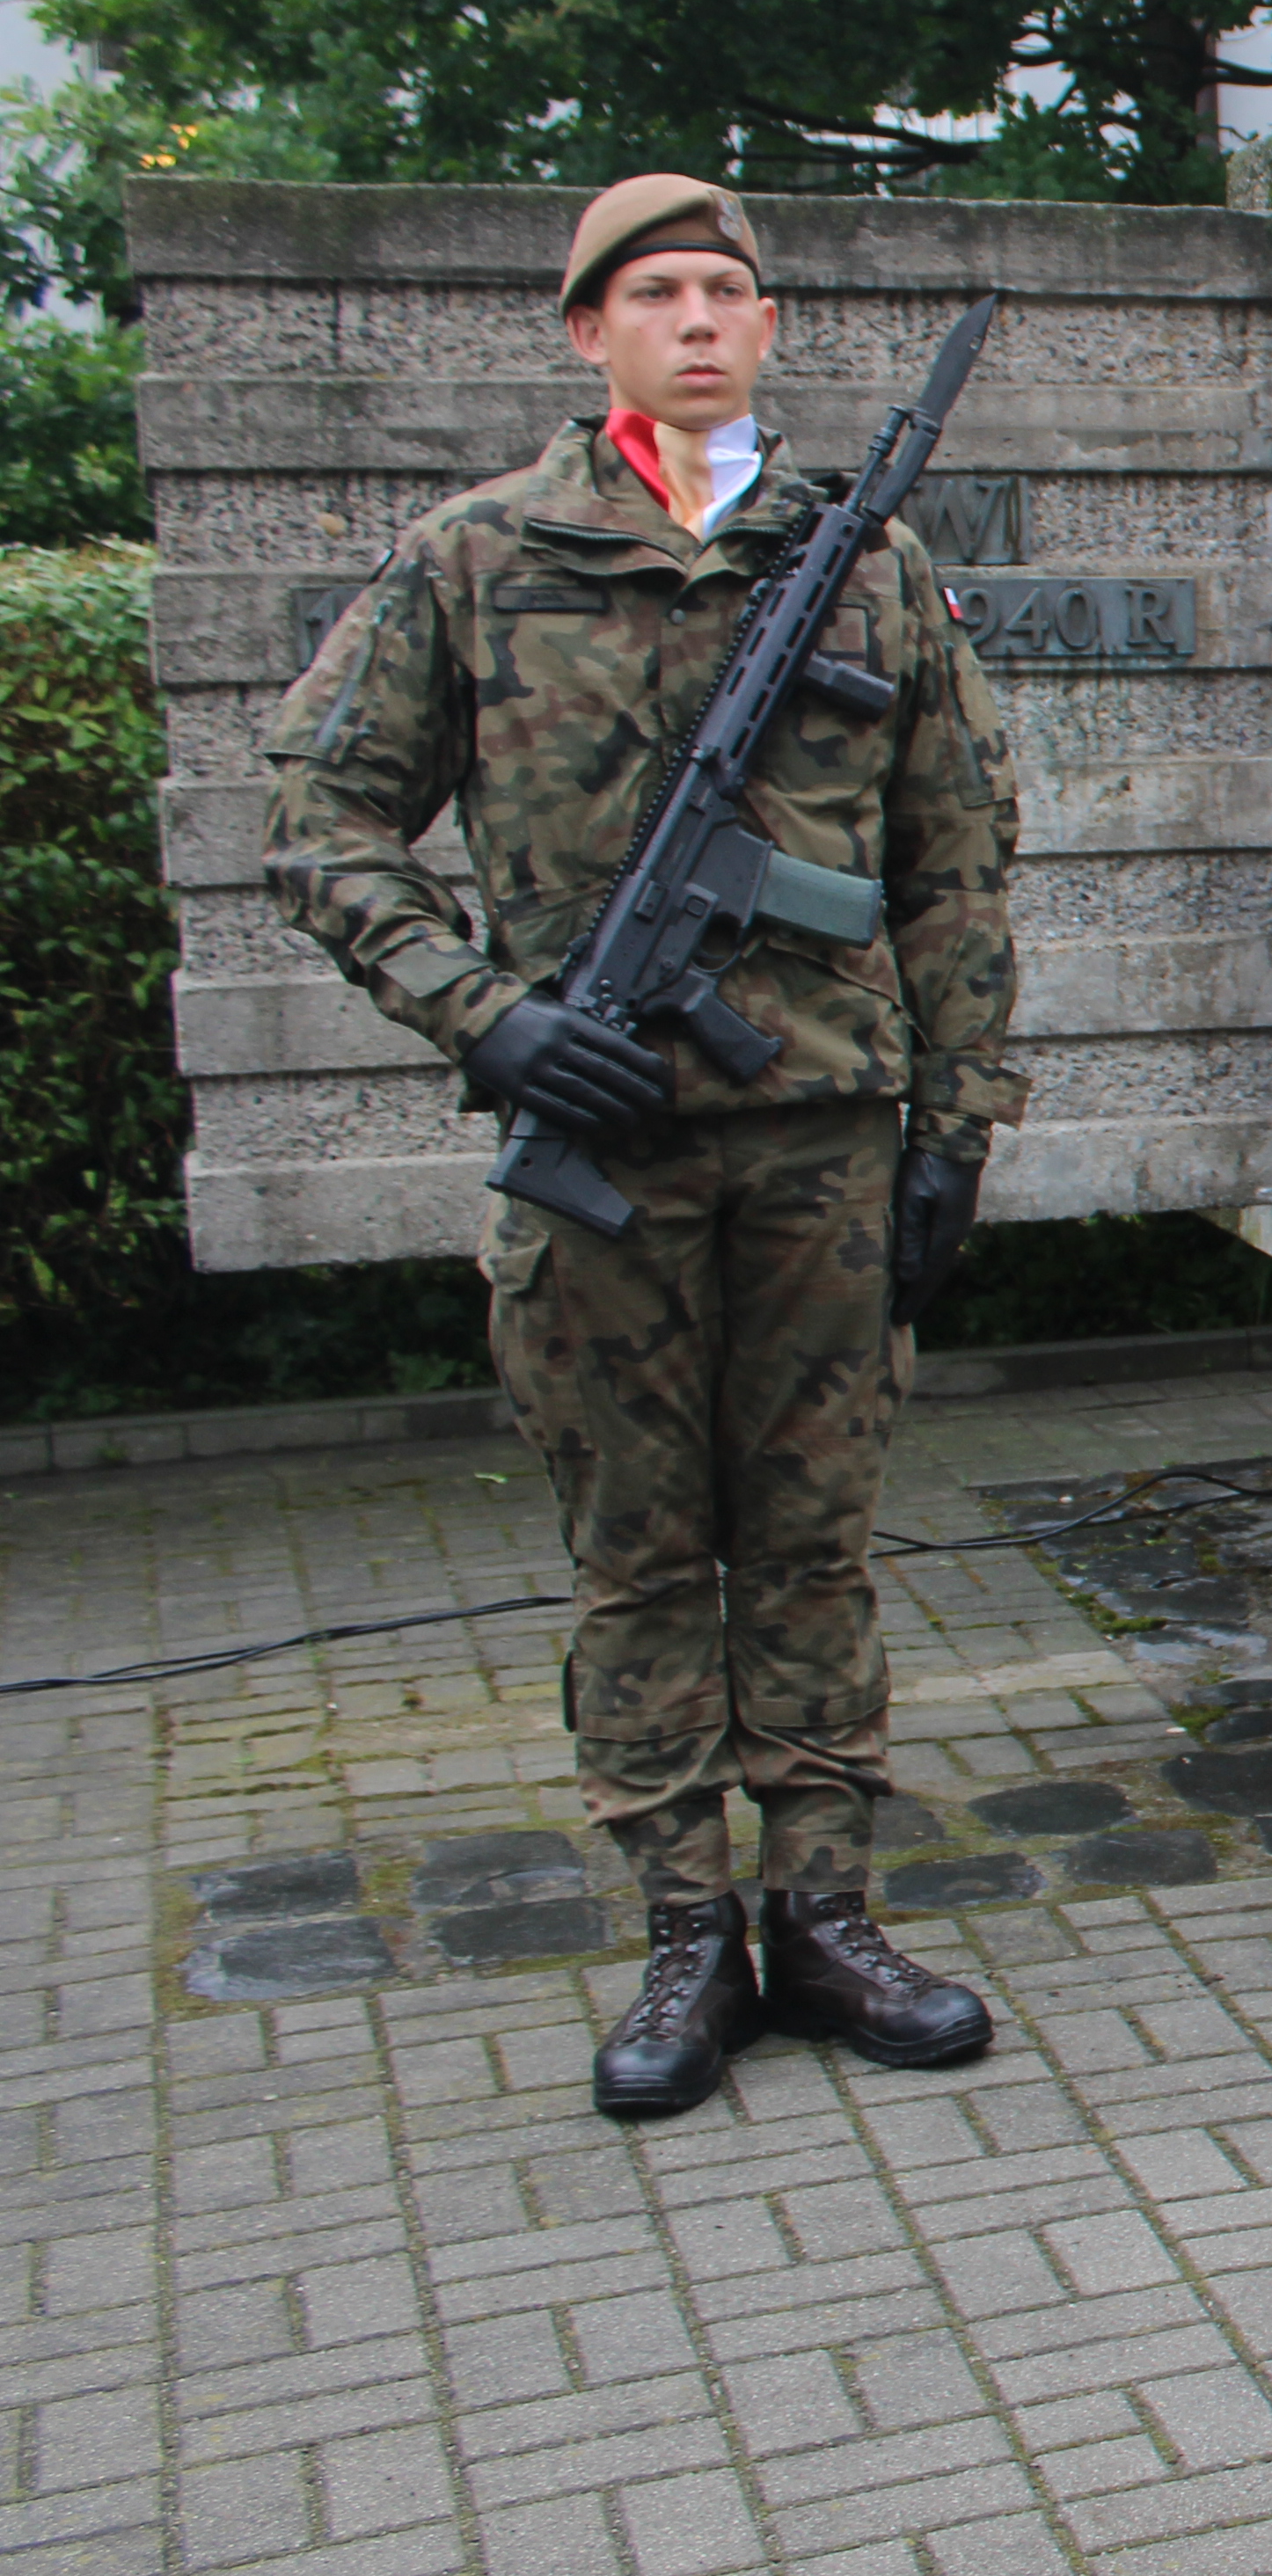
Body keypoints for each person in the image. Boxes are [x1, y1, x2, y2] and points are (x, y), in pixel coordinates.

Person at [263, 176, 1030, 2120]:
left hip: (824, 1144)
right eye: (655, 292)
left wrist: (957, 1119)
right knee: (636, 1552)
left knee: (814, 1544)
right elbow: (325, 817)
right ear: (584, 330)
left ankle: (830, 1909)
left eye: (728, 290)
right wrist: (486, 1013)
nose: (698, 319)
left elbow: (954, 864)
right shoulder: (477, 558)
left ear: (766, 328)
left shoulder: (864, 566)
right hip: (604, 1145)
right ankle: (689, 1930)